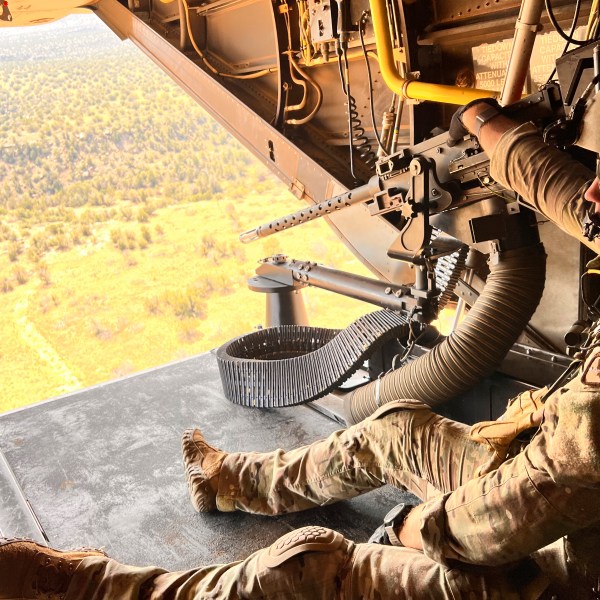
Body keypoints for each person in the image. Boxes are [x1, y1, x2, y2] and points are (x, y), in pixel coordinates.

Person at [2, 96, 600, 600]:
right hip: (559, 496)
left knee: (313, 568)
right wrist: (485, 123)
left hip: (561, 570)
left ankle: (99, 588)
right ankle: (230, 481)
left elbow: (535, 499)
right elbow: (576, 198)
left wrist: (416, 528)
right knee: (394, 429)